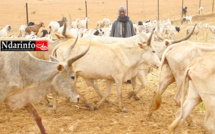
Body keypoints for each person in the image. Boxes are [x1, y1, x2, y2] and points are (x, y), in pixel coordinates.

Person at [110, 6, 135, 84]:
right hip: (117, 46)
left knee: (128, 62)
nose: (121, 13)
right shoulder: (115, 22)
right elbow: (111, 35)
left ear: (125, 12)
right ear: (118, 12)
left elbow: (133, 34)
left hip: (127, 46)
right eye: (120, 12)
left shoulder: (130, 22)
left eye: (123, 11)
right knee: (117, 62)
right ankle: (115, 78)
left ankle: (128, 78)